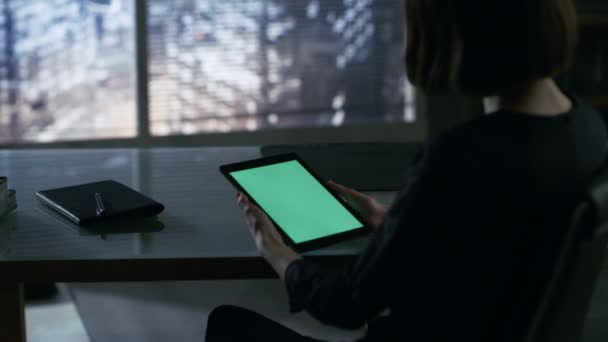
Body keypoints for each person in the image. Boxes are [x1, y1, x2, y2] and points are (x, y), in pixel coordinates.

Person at [205, 0, 607, 341]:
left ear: (456, 33)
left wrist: (278, 255)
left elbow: (348, 304)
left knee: (227, 324)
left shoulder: (461, 156)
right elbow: (500, 249)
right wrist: (397, 224)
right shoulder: (589, 129)